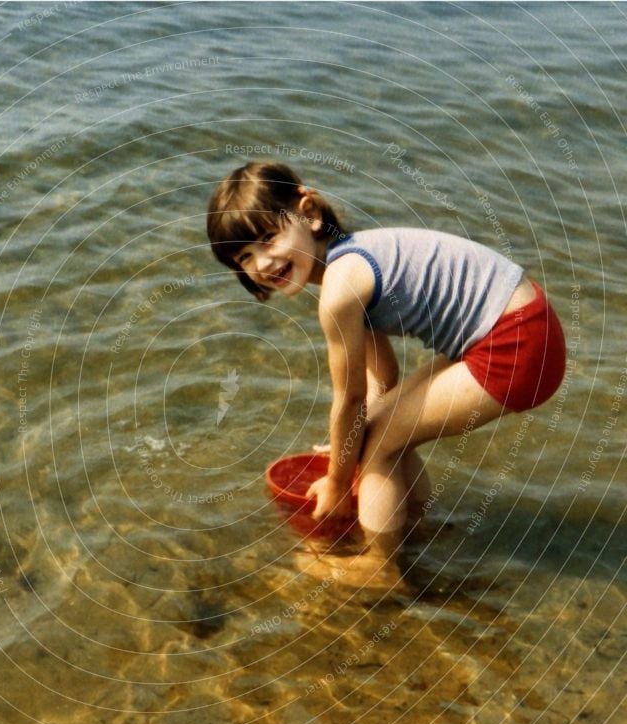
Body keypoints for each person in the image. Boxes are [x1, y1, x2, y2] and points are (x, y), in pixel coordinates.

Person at [207, 161, 566, 585]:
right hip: (525, 325)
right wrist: (350, 444)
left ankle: (381, 566)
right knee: (383, 430)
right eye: (246, 256)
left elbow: (351, 399)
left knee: (379, 447)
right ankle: (414, 529)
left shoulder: (341, 288)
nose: (263, 262)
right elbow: (383, 379)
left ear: (309, 212)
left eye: (269, 238)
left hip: (517, 343)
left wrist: (339, 482)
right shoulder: (352, 261)